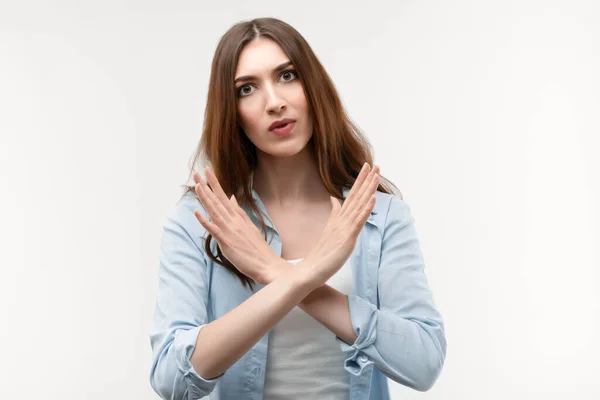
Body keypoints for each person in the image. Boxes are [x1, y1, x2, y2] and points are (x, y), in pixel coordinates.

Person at [149, 17, 446, 400]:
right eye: (247, 89)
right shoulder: (201, 221)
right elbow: (172, 379)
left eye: (287, 76)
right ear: (231, 111)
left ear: (313, 85)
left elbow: (424, 363)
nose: (274, 102)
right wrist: (305, 275)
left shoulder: (380, 215)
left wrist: (277, 273)